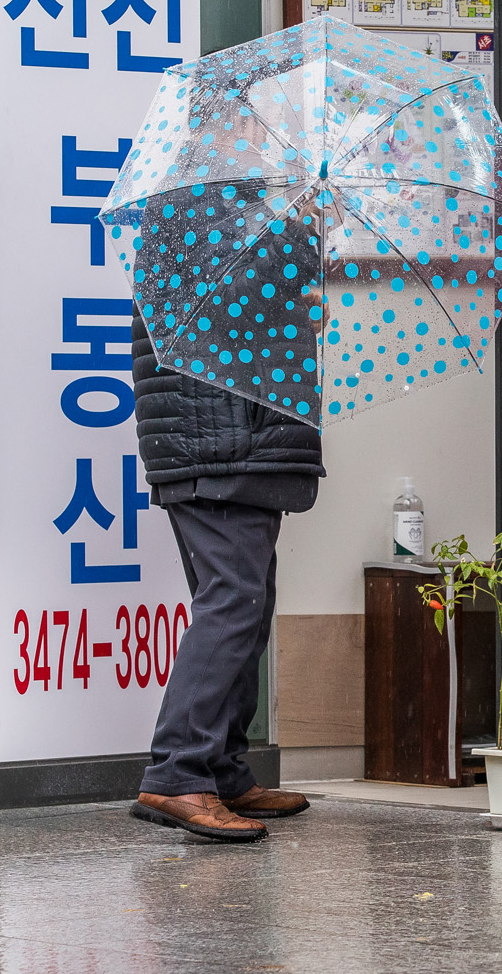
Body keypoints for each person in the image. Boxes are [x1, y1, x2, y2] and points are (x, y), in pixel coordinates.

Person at [127, 313, 326, 842]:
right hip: (219, 441)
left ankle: (220, 770)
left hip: (233, 437)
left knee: (248, 608)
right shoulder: (216, 233)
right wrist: (298, 309)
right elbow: (242, 315)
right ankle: (177, 772)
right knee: (233, 602)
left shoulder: (223, 234)